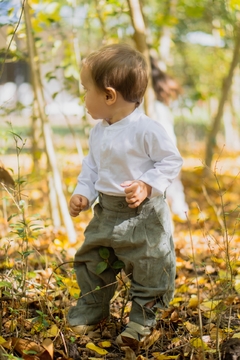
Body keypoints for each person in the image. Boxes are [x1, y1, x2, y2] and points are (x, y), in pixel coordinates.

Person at [67, 43, 183, 348]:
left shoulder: (146, 129)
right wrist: (83, 192)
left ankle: (143, 319)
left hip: (142, 215)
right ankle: (92, 309)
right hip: (106, 211)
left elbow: (171, 161)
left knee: (150, 264)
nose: (83, 97)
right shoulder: (99, 131)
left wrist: (147, 184)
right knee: (92, 259)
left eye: (86, 89)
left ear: (108, 95)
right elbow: (92, 167)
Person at [150, 57, 189, 221]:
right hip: (164, 141)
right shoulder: (155, 96)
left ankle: (179, 211)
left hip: (162, 141)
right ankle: (179, 211)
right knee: (169, 179)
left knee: (169, 178)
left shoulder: (153, 101)